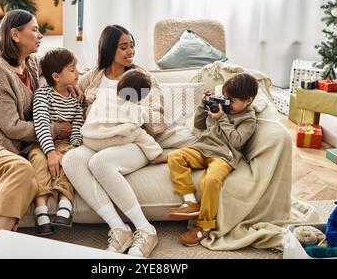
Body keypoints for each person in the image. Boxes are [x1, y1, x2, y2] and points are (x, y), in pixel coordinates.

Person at [0, 9, 78, 252]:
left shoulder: (31, 63)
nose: (40, 35)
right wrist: (57, 129)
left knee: (24, 169)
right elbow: (13, 127)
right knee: (21, 168)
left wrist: (75, 84)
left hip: (7, 147)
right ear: (15, 34)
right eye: (35, 30)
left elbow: (60, 72)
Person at [63, 25, 196, 258]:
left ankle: (146, 230)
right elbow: (76, 102)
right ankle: (119, 228)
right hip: (100, 139)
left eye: (132, 45)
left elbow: (158, 122)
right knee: (72, 159)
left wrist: (131, 111)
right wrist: (89, 107)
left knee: (100, 163)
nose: (130, 51)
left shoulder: (144, 79)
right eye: (123, 47)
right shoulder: (93, 76)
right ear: (108, 49)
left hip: (133, 141)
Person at [167, 73, 258, 246]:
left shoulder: (248, 119)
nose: (226, 103)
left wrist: (222, 118)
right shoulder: (222, 105)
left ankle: (205, 226)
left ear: (248, 100)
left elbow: (237, 141)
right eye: (224, 98)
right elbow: (199, 125)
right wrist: (203, 105)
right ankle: (190, 202)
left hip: (224, 156)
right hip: (203, 148)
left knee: (210, 180)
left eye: (231, 101)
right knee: (174, 156)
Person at [30, 48, 84, 236]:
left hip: (66, 143)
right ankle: (41, 212)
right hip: (43, 143)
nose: (77, 72)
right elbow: (42, 125)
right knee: (39, 162)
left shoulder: (76, 99)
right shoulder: (42, 94)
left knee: (69, 162)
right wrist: (50, 152)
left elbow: (78, 125)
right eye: (72, 69)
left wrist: (74, 146)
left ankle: (64, 207)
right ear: (56, 76)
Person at [80, 68, 166, 164]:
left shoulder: (104, 94)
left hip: (88, 139)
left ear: (119, 84)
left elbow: (89, 113)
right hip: (107, 141)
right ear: (141, 97)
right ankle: (157, 155)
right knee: (138, 132)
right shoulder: (135, 109)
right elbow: (140, 123)